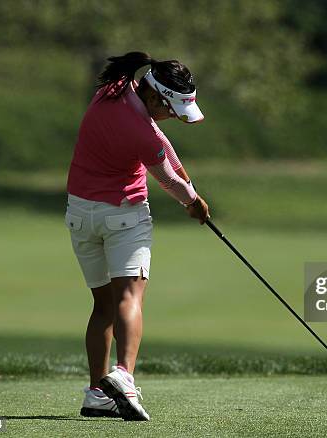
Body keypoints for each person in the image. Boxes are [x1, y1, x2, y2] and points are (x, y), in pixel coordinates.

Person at [64, 51, 210, 421]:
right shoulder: (141, 133)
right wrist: (193, 202)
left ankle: (98, 393)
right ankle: (125, 376)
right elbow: (167, 179)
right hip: (124, 217)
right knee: (129, 297)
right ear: (155, 97)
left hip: (80, 216)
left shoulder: (112, 90)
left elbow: (163, 143)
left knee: (103, 306)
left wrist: (189, 185)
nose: (174, 117)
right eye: (172, 109)